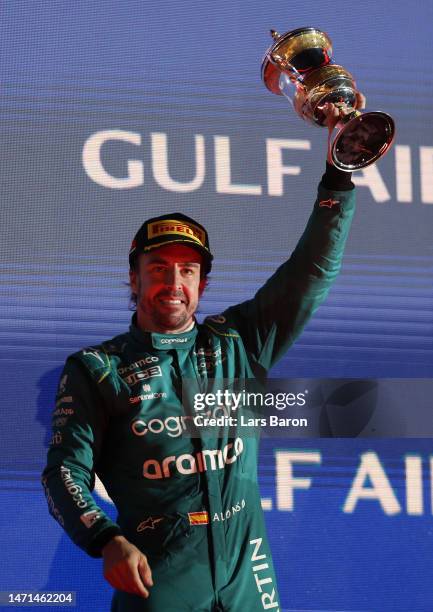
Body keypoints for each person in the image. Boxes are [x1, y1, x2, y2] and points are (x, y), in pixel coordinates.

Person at [41, 102, 361, 611]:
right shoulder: (96, 369)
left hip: (249, 577)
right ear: (134, 278)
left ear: (202, 283)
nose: (173, 283)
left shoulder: (240, 340)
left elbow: (312, 270)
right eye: (158, 268)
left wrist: (338, 178)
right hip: (161, 580)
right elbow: (64, 473)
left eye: (187, 271)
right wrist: (106, 540)